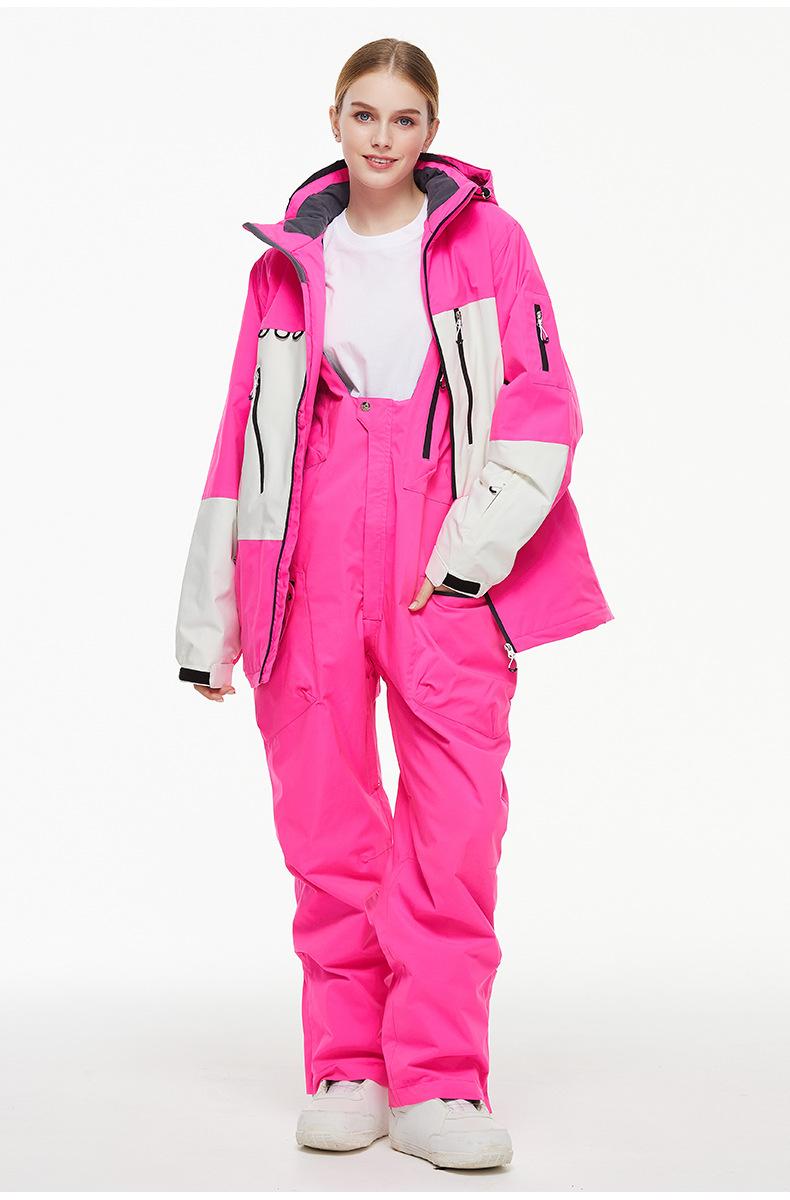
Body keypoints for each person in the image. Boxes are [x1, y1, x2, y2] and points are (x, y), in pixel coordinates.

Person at [175, 38, 613, 1171]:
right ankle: (349, 1066)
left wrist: (470, 556)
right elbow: (240, 439)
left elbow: (541, 403)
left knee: (455, 825)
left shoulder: (487, 243)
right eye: (363, 114)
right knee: (325, 823)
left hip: (442, 557)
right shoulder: (284, 268)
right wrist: (212, 620)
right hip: (308, 558)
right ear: (334, 121)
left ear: (431, 131)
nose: (382, 136)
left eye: (403, 118)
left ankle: (441, 1080)